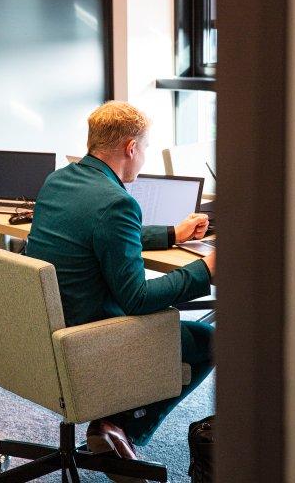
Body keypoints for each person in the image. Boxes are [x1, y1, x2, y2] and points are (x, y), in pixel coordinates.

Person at [26, 101, 215, 476]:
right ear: (131, 147)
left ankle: (112, 426)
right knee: (207, 340)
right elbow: (138, 299)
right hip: (90, 338)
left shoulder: (58, 181)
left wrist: (170, 233)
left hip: (45, 328)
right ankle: (120, 427)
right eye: (145, 148)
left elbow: (101, 232)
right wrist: (204, 270)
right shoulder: (116, 202)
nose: (144, 157)